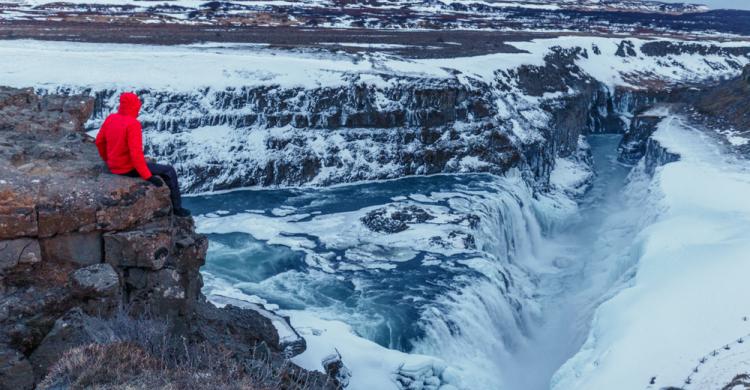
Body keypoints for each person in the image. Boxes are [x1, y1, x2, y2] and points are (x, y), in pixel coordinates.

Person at [95, 92, 191, 217]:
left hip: (113, 165)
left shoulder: (111, 118)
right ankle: (177, 209)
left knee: (150, 164)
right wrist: (149, 177)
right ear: (134, 107)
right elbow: (136, 154)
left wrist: (108, 159)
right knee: (169, 171)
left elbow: (99, 141)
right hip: (126, 168)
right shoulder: (133, 124)